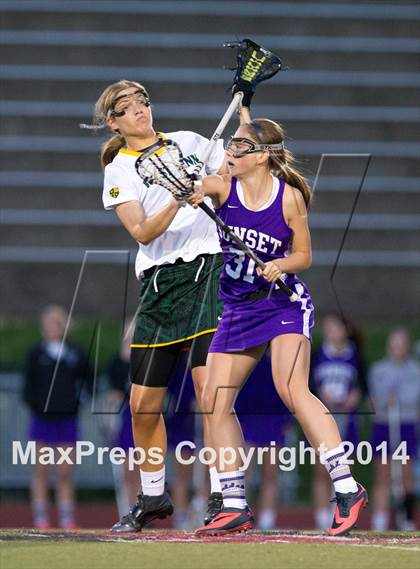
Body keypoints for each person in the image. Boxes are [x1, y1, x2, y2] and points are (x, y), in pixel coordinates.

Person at [187, 118, 368, 536]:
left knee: (291, 388)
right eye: (230, 148)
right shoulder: (222, 185)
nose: (230, 154)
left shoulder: (289, 199)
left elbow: (303, 254)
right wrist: (192, 192)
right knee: (213, 399)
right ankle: (233, 504)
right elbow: (202, 188)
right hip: (237, 308)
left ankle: (346, 487)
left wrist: (279, 263)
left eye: (240, 148)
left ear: (263, 156)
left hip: (283, 303)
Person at [93, 79, 251, 532]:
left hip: (207, 270)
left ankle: (228, 494)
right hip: (161, 284)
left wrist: (210, 177)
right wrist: (178, 199)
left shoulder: (188, 143)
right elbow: (142, 232)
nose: (141, 110)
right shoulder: (119, 170)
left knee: (211, 394)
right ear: (114, 122)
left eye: (143, 102)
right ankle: (153, 496)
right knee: (142, 404)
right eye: (128, 107)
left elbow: (232, 172)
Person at [23, 305, 92, 529]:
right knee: (41, 469)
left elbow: (88, 379)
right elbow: (28, 386)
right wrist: (37, 405)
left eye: (55, 324)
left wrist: (78, 400)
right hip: (42, 420)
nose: (51, 328)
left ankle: (66, 517)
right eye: (48, 324)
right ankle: (41, 517)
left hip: (67, 420)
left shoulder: (75, 352)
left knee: (64, 471)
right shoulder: (35, 353)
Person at [310, 313, 365, 530]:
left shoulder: (355, 355)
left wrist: (355, 395)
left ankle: (342, 513)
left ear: (345, 330)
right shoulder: (317, 354)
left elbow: (363, 383)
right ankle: (321, 518)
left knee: (343, 468)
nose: (330, 332)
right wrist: (320, 395)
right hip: (323, 417)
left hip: (347, 418)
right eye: (328, 328)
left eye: (335, 327)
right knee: (321, 468)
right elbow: (307, 385)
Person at [369, 327, 419, 531]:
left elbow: (413, 399)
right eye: (394, 343)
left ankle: (406, 519)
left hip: (405, 424)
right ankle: (379, 521)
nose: (397, 347)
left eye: (401, 343)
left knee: (406, 475)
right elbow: (375, 398)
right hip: (383, 424)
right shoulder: (378, 370)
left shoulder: (415, 371)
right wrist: (384, 401)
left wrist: (400, 400)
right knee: (383, 475)